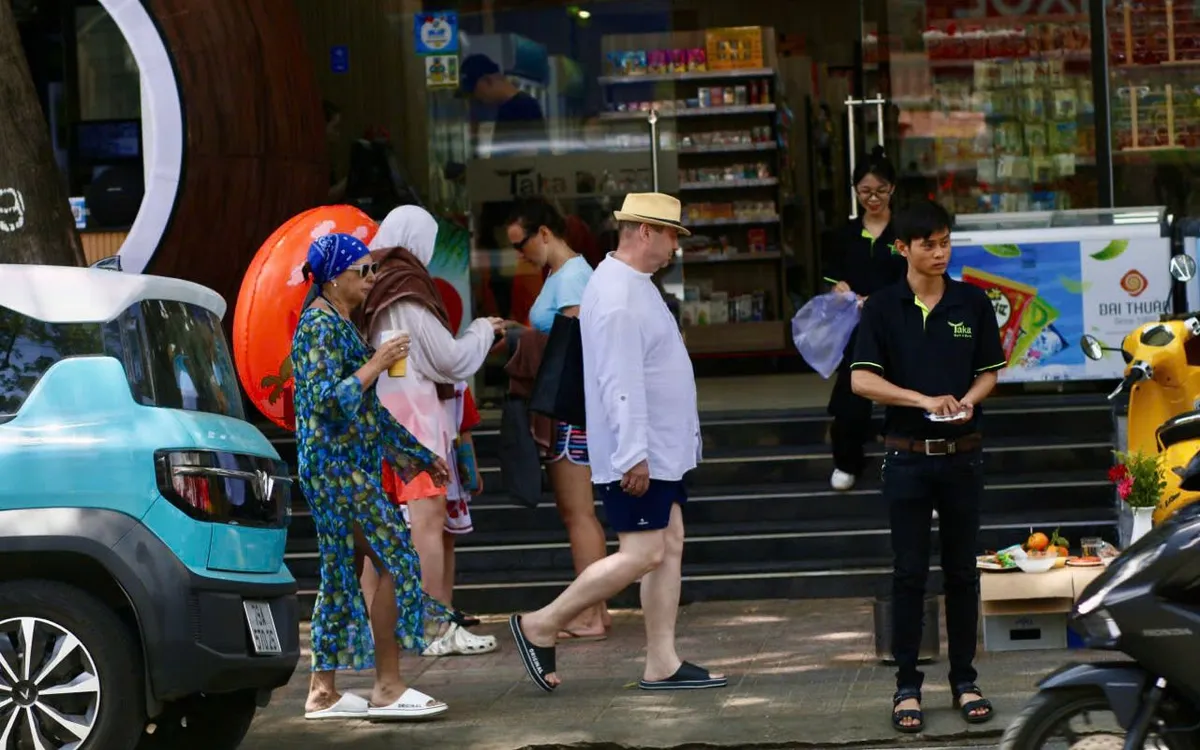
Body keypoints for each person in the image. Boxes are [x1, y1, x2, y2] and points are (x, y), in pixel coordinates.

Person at [508, 193, 726, 693]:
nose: (675, 246)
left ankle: (662, 661)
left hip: (657, 449)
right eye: (672, 234)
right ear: (645, 230)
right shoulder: (621, 292)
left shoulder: (632, 284)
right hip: (641, 451)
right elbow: (619, 380)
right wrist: (633, 454)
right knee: (644, 552)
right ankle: (540, 623)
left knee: (666, 546)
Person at [848, 200, 1005, 734]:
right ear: (903, 249)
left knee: (962, 572)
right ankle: (907, 686)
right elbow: (861, 381)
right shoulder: (883, 308)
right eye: (928, 244)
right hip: (907, 457)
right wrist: (922, 400)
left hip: (963, 455)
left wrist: (964, 399)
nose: (940, 253)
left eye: (945, 242)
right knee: (909, 573)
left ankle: (965, 680)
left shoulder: (972, 303)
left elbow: (990, 375)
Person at [293, 232, 453, 721]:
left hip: (342, 468)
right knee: (396, 557)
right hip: (336, 469)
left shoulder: (338, 321)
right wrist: (377, 364)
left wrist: (419, 454)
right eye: (363, 271)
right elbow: (326, 402)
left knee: (340, 574)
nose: (371, 278)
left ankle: (323, 692)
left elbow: (369, 412)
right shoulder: (319, 325)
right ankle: (387, 686)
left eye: (372, 269)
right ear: (334, 277)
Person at [360, 205, 506, 657]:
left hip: (374, 426)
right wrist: (483, 331)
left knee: (374, 533)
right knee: (428, 525)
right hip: (416, 431)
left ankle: (377, 628)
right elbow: (449, 360)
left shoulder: (366, 280)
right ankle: (433, 628)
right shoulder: (405, 288)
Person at [505, 198, 610, 641]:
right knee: (579, 514)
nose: (519, 252)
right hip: (572, 409)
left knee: (578, 513)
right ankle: (594, 611)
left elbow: (573, 350)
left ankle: (590, 613)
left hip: (571, 412)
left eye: (522, 242)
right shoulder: (566, 275)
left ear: (544, 232)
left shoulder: (571, 279)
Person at [823, 146, 906, 492]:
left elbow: (918, 278)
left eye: (881, 191)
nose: (873, 198)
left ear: (893, 190)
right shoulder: (844, 233)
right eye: (865, 192)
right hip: (856, 327)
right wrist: (840, 290)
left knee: (906, 394)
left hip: (901, 325)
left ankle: (907, 469)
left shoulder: (905, 231)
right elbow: (832, 280)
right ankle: (847, 461)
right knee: (851, 395)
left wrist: (883, 299)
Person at [460, 53, 547, 155]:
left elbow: (529, 154)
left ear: (487, 81)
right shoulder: (506, 107)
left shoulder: (523, 107)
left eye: (474, 91)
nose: (475, 97)